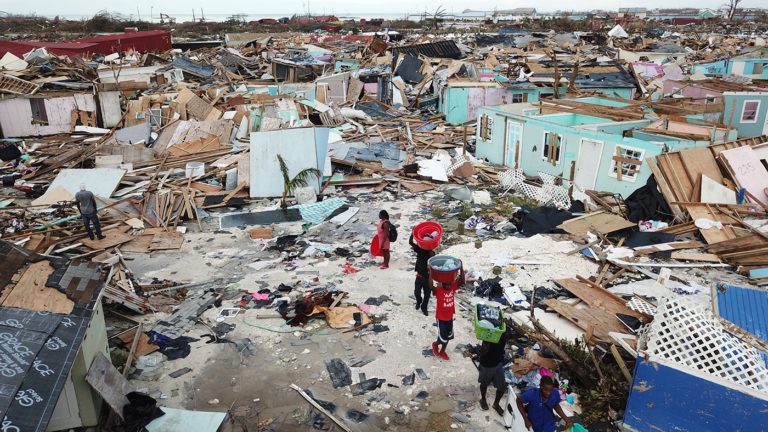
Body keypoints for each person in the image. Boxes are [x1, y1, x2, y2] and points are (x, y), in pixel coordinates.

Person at [430, 264, 464, 361]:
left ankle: (443, 351)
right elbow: (430, 285)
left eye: (450, 284)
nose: (449, 286)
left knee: (449, 336)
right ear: (442, 284)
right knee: (443, 337)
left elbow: (462, 281)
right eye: (447, 284)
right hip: (441, 318)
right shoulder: (439, 290)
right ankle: (435, 344)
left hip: (449, 317)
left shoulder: (453, 287)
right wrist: (431, 273)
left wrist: (461, 267)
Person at [477, 332, 510, 415]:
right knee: (484, 384)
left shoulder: (503, 336)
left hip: (498, 364)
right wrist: (486, 342)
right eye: (506, 336)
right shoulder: (489, 337)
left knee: (502, 387)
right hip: (487, 365)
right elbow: (483, 352)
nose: (507, 338)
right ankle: (483, 399)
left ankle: (496, 404)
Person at [409, 233, 435, 316]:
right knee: (417, 292)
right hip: (419, 276)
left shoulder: (431, 252)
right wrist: (412, 234)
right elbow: (411, 242)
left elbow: (432, 258)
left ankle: (424, 308)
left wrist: (429, 247)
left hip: (427, 278)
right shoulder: (419, 249)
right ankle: (419, 301)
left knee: (427, 294)